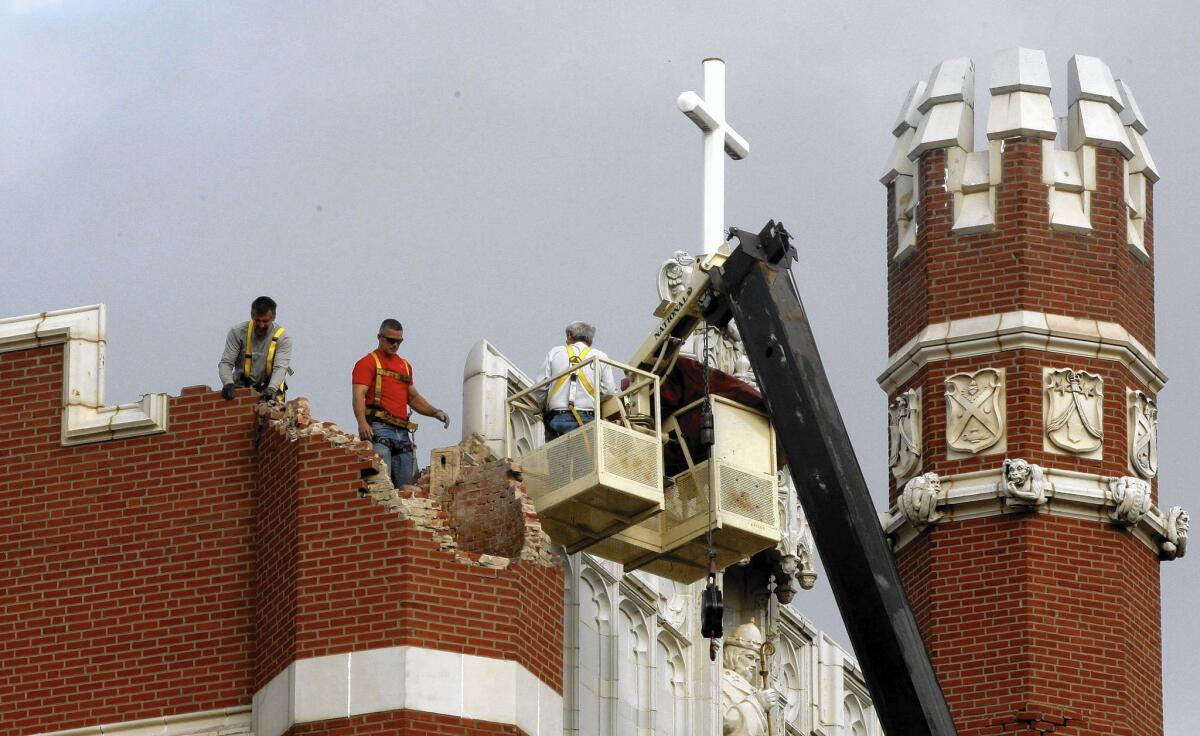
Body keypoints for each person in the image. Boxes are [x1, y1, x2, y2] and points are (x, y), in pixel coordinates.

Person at [352, 318, 450, 487]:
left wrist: (435, 412)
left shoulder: (405, 366)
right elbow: (358, 395)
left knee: (407, 489)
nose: (395, 345)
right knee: (381, 486)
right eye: (391, 340)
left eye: (399, 341)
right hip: (379, 429)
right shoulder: (367, 363)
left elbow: (412, 398)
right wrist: (362, 422)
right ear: (379, 337)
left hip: (402, 433)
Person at [530, 321, 621, 441]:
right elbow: (609, 390)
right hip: (587, 418)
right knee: (585, 457)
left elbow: (540, 387)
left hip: (557, 417)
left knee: (557, 457)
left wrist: (543, 405)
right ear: (589, 340)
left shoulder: (555, 352)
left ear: (570, 336)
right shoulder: (600, 356)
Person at [218, 296, 292, 402]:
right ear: (252, 315)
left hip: (270, 390)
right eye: (258, 320)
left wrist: (271, 389)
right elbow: (226, 363)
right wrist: (228, 383)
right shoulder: (237, 332)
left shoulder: (283, 338)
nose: (261, 325)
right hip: (242, 390)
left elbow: (280, 368)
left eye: (265, 321)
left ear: (273, 317)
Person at [721, 622, 780, 736]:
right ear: (734, 656)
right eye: (749, 658)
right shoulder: (723, 682)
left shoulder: (753, 691)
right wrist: (757, 703)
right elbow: (724, 723)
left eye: (756, 660)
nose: (754, 664)